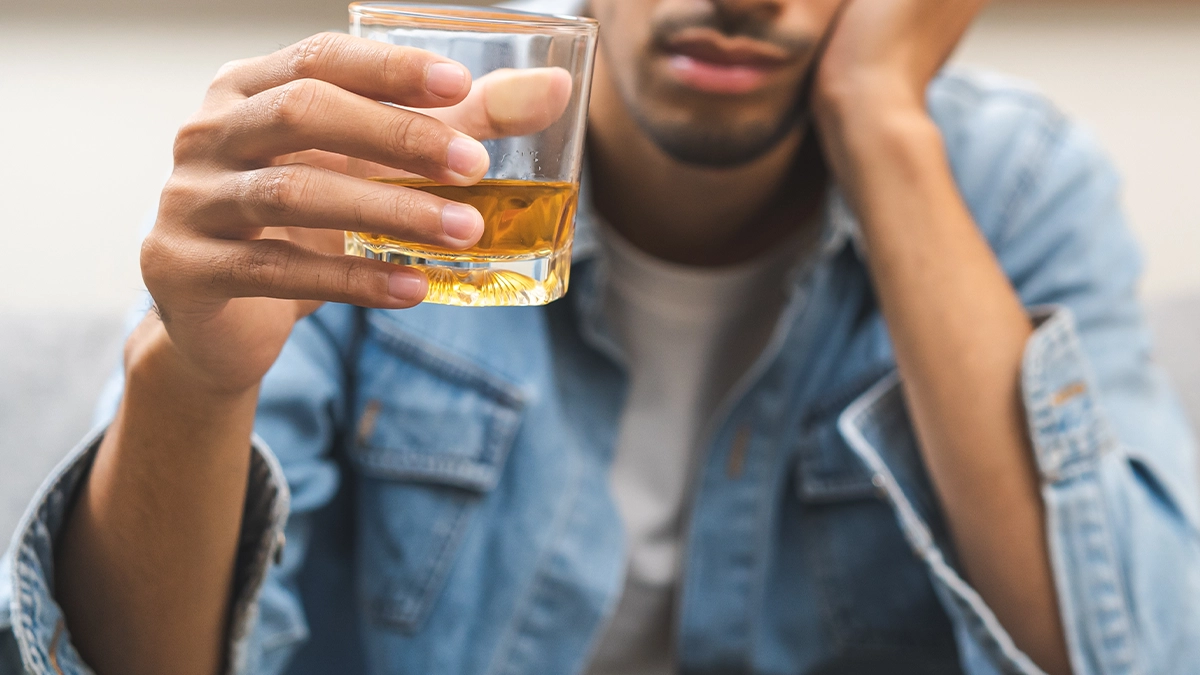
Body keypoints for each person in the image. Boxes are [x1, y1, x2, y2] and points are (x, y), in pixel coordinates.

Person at [2, 0, 1198, 673]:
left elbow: (1130, 655)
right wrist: (188, 376)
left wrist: (879, 116)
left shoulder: (1013, 187)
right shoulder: (404, 147)